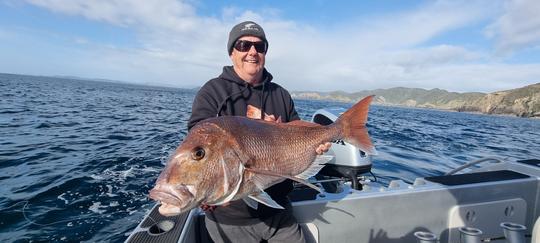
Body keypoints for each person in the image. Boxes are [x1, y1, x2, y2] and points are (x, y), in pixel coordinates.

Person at [188, 21, 330, 243]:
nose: (252, 52)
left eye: (260, 46)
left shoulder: (281, 94)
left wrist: (317, 147)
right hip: (229, 219)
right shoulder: (212, 92)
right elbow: (197, 150)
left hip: (279, 212)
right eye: (244, 45)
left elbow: (298, 134)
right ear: (232, 52)